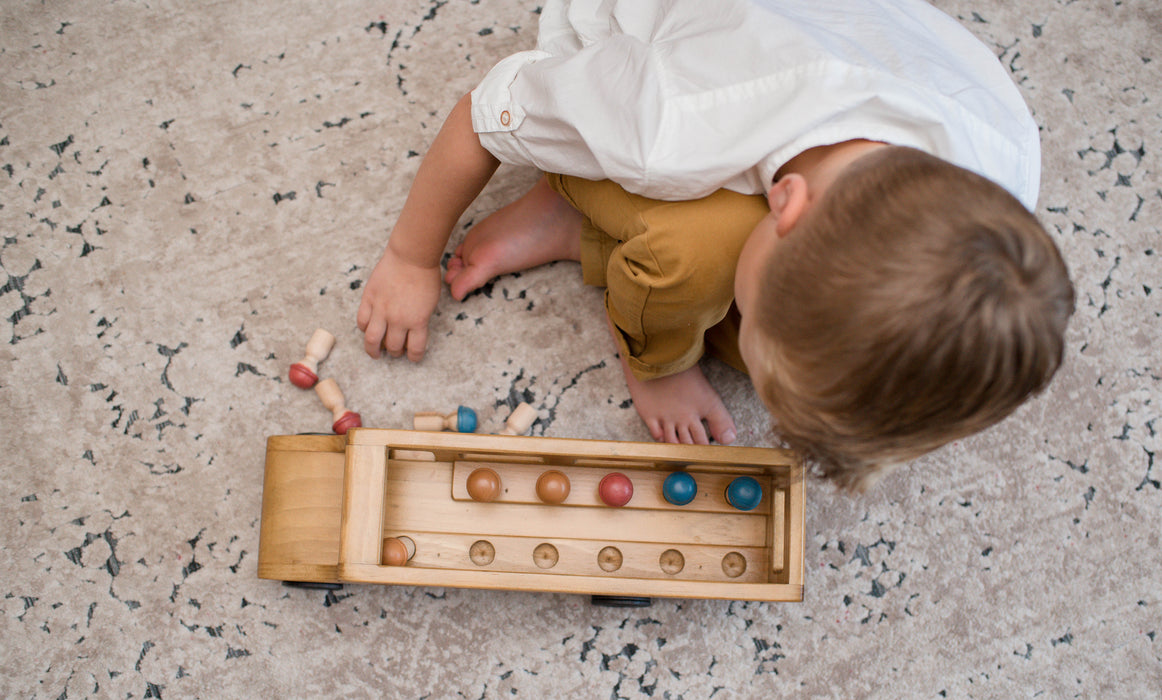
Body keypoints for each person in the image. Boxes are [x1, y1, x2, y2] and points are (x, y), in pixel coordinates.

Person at [357, 0, 1074, 490]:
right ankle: (569, 196)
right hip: (644, 50)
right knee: (691, 264)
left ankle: (582, 228)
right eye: (751, 315)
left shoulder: (999, 169)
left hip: (844, 41)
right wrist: (410, 258)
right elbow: (484, 112)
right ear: (784, 206)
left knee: (788, 334)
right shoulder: (665, 124)